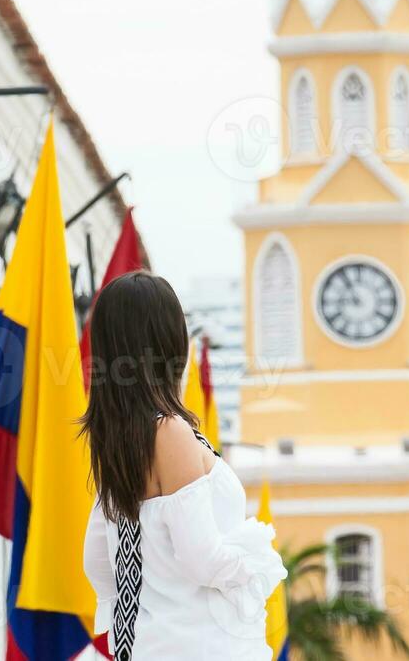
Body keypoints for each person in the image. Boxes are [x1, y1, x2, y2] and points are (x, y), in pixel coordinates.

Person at [79, 271, 287, 660]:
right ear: (169, 341)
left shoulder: (118, 439)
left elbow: (96, 561)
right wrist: (255, 566)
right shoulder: (170, 431)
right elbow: (201, 557)